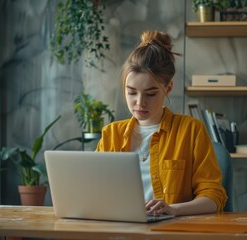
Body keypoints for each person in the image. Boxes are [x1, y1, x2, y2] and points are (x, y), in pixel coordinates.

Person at [96, 30, 227, 216]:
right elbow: (95, 190)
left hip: (171, 231)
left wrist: (172, 209)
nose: (140, 102)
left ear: (168, 88)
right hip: (120, 228)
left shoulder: (191, 130)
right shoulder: (111, 135)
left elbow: (214, 197)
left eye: (150, 94)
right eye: (131, 92)